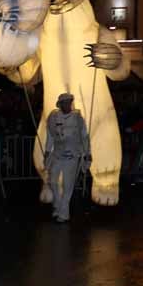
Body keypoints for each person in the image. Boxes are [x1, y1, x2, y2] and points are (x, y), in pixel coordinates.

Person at [44, 93, 90, 223]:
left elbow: (84, 137)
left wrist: (87, 153)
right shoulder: (53, 117)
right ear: (60, 104)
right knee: (53, 181)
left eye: (69, 102)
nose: (67, 104)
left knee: (67, 185)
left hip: (72, 155)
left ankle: (64, 214)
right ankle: (58, 205)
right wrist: (47, 151)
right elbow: (50, 136)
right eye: (64, 102)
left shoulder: (78, 118)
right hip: (57, 154)